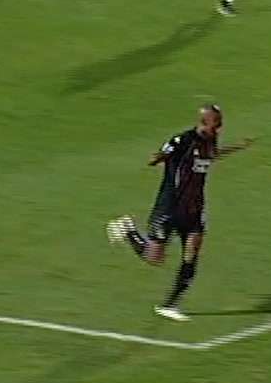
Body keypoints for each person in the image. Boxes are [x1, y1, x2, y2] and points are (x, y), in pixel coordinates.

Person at [106, 105, 254, 321]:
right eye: (217, 123)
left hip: (194, 207)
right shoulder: (182, 141)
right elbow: (158, 156)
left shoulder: (210, 140)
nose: (220, 128)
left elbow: (211, 155)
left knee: (192, 253)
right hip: (170, 207)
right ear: (204, 122)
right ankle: (127, 229)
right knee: (154, 258)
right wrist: (159, 157)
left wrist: (237, 147)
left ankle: (170, 304)